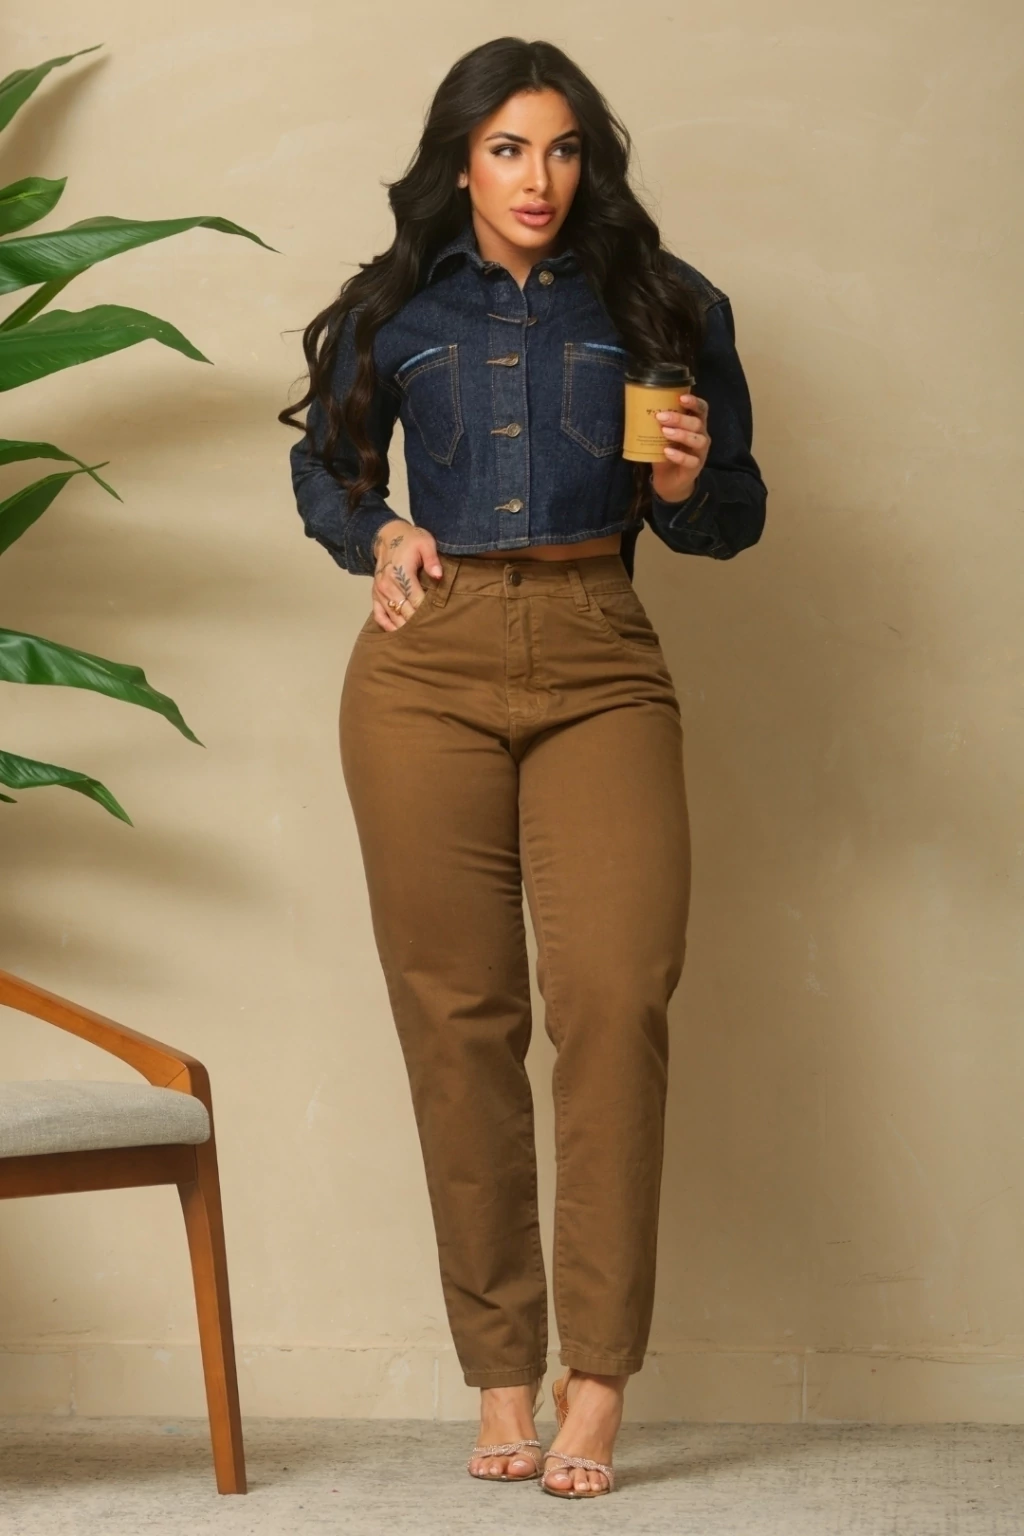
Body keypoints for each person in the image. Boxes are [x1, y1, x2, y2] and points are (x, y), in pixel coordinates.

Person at [281, 35, 766, 1500]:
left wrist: (684, 484)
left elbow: (729, 517)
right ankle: (501, 1372)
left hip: (600, 643)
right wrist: (377, 531)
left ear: (587, 161)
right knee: (458, 1018)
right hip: (425, 663)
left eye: (560, 148)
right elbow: (326, 470)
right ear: (461, 162)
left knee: (616, 999)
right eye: (506, 149)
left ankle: (595, 1379)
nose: (536, 178)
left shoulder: (667, 304)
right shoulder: (398, 310)